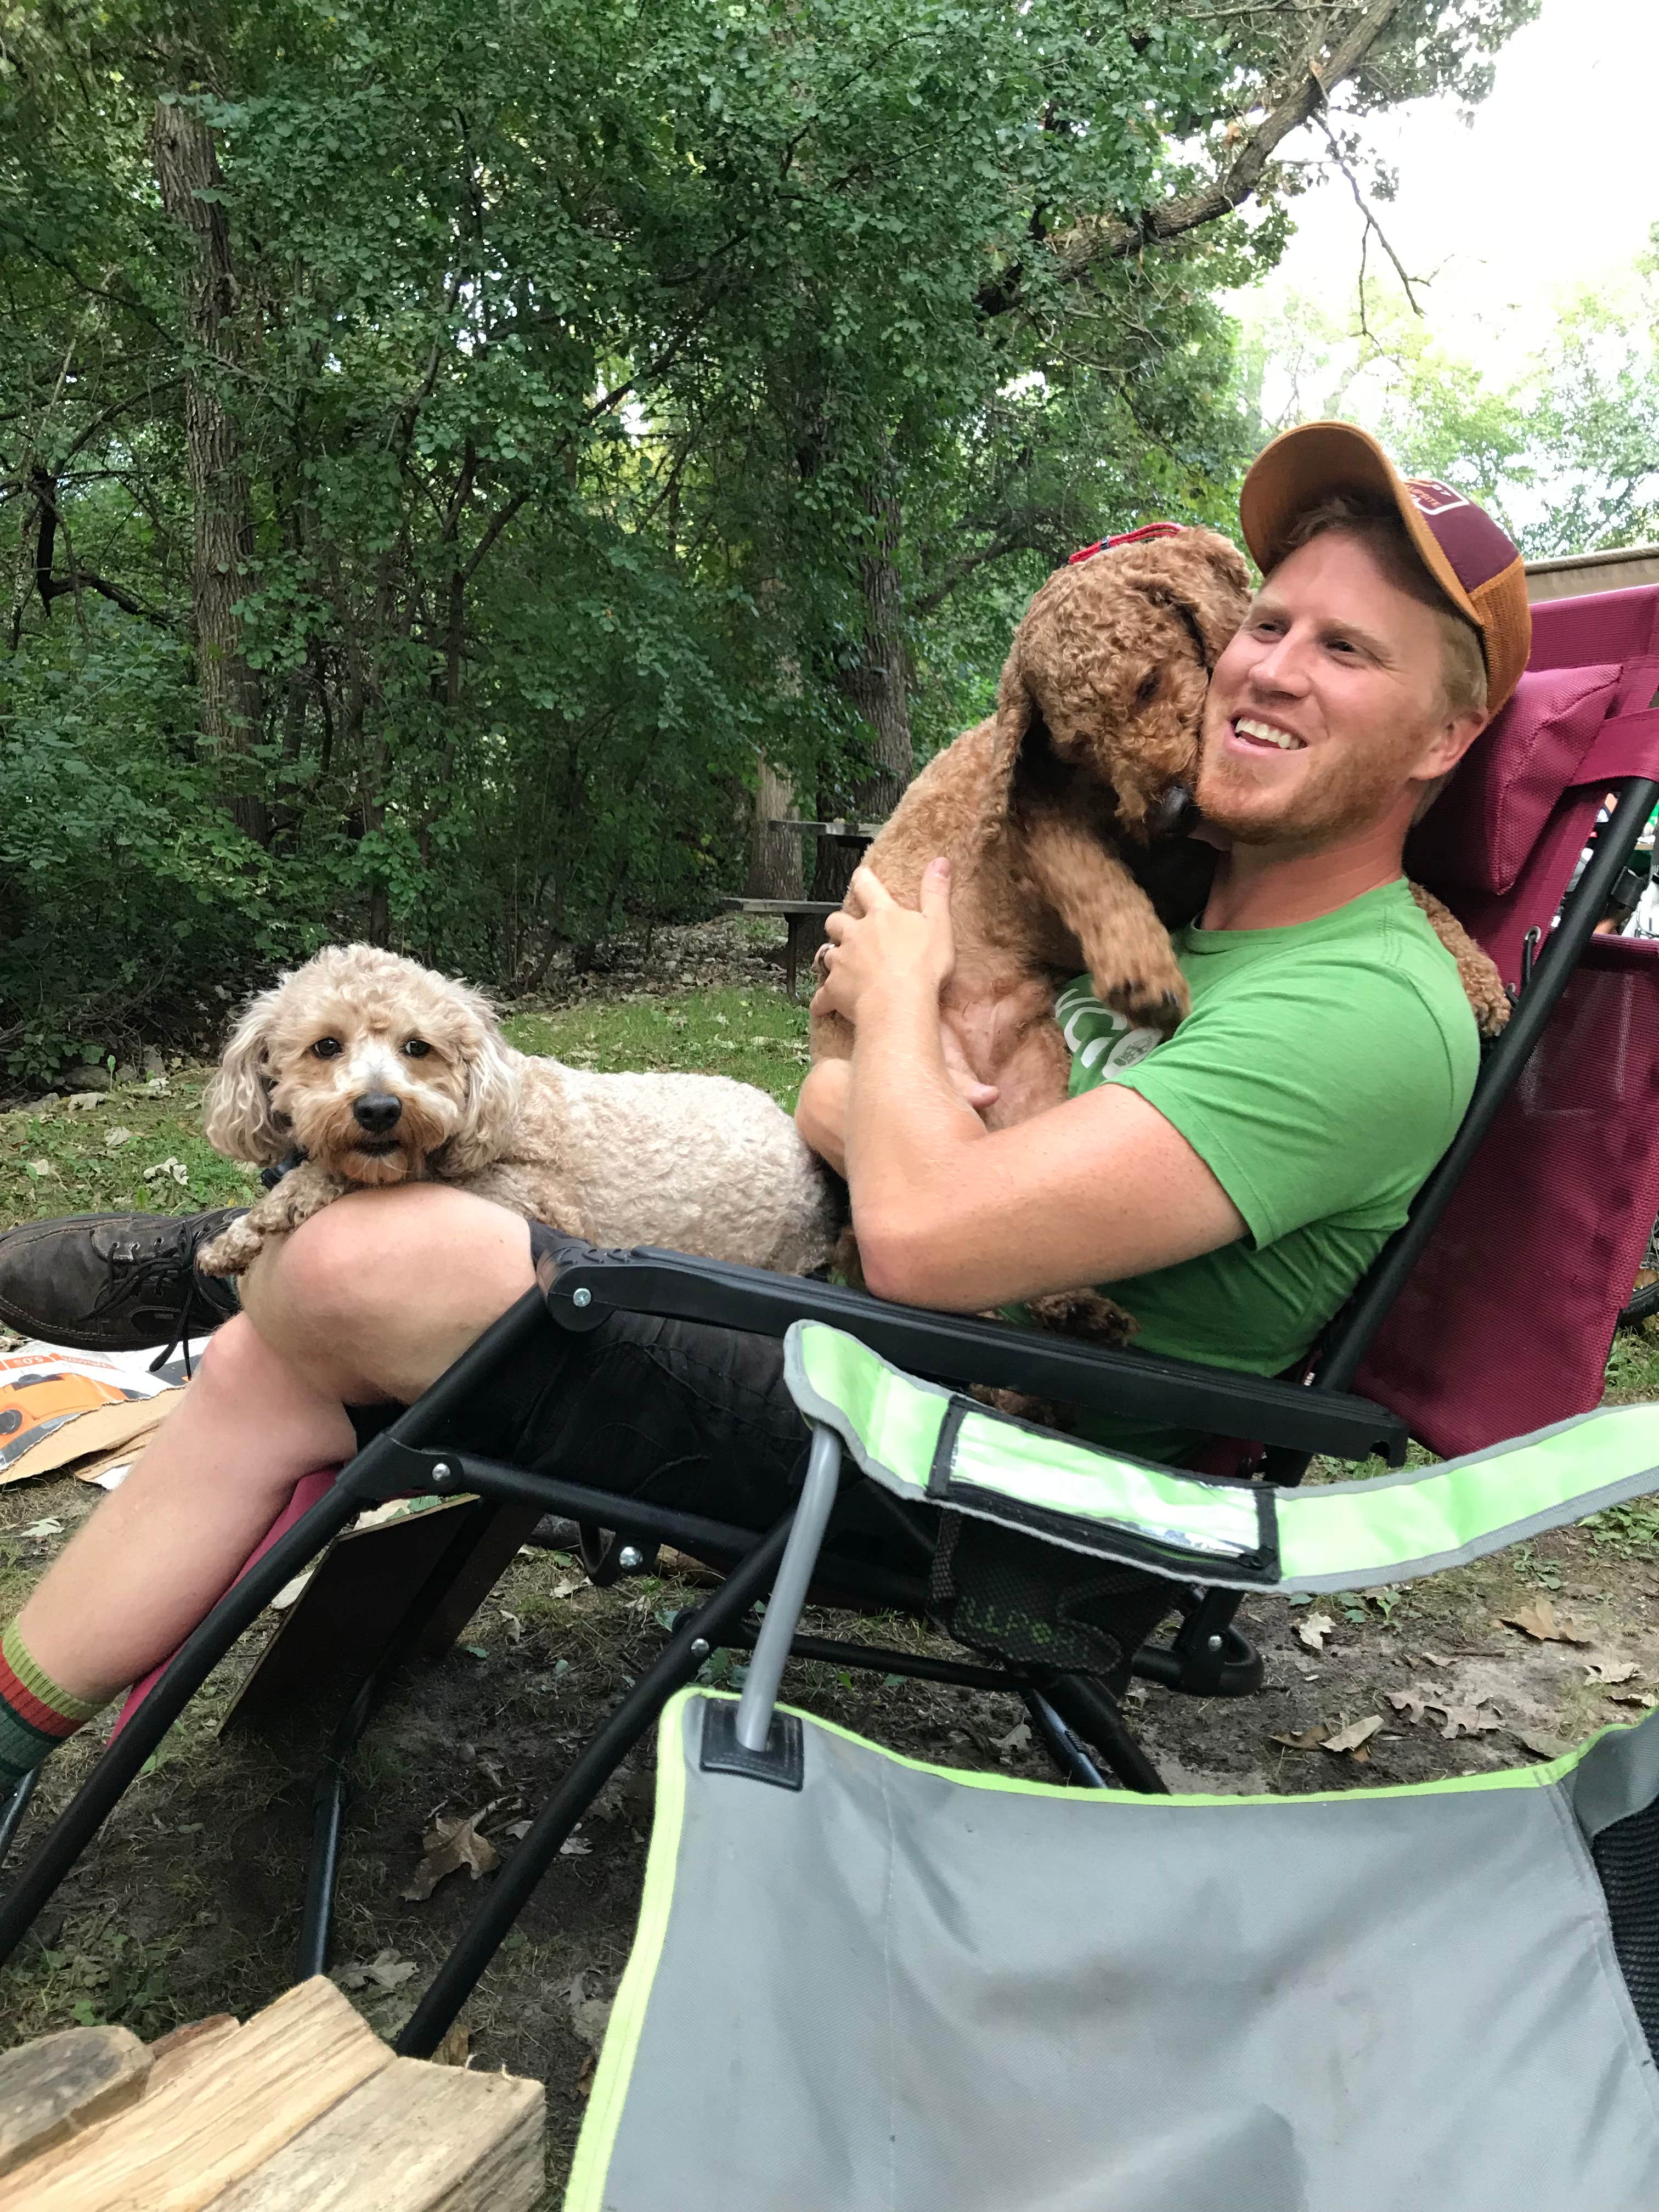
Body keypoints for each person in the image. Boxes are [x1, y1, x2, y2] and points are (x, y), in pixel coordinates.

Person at [0, 422, 1531, 1789]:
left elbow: (927, 1231)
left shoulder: (1363, 1007)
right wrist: (904, 1072)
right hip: (869, 1335)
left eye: (1350, 651)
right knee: (284, 1351)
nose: (1269, 667)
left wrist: (908, 993)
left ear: (1446, 737)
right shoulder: (1164, 918)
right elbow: (828, 1101)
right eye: (1268, 621)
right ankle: (12, 1726)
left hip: (999, 1466)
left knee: (352, 1269)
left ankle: (221, 1241)